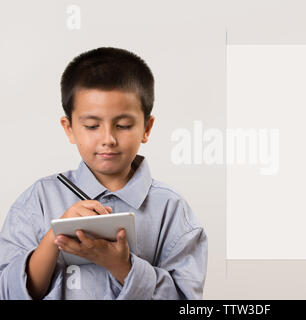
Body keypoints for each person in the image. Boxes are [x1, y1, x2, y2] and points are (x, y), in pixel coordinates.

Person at [0, 47, 208, 300]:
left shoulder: (171, 209)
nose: (108, 139)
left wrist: (122, 266)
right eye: (91, 126)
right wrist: (54, 238)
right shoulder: (39, 199)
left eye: (123, 125)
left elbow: (186, 300)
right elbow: (8, 292)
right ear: (69, 128)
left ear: (147, 127)